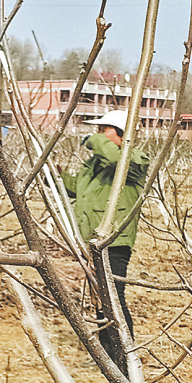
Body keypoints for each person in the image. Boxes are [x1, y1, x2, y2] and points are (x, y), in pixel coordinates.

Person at [61, 109, 148, 359]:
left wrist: (95, 141)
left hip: (115, 240)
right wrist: (57, 177)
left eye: (104, 130)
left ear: (122, 134)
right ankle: (108, 355)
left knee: (114, 297)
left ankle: (125, 354)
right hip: (93, 240)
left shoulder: (134, 161)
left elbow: (116, 160)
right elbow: (78, 189)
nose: (97, 134)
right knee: (101, 297)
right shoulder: (94, 164)